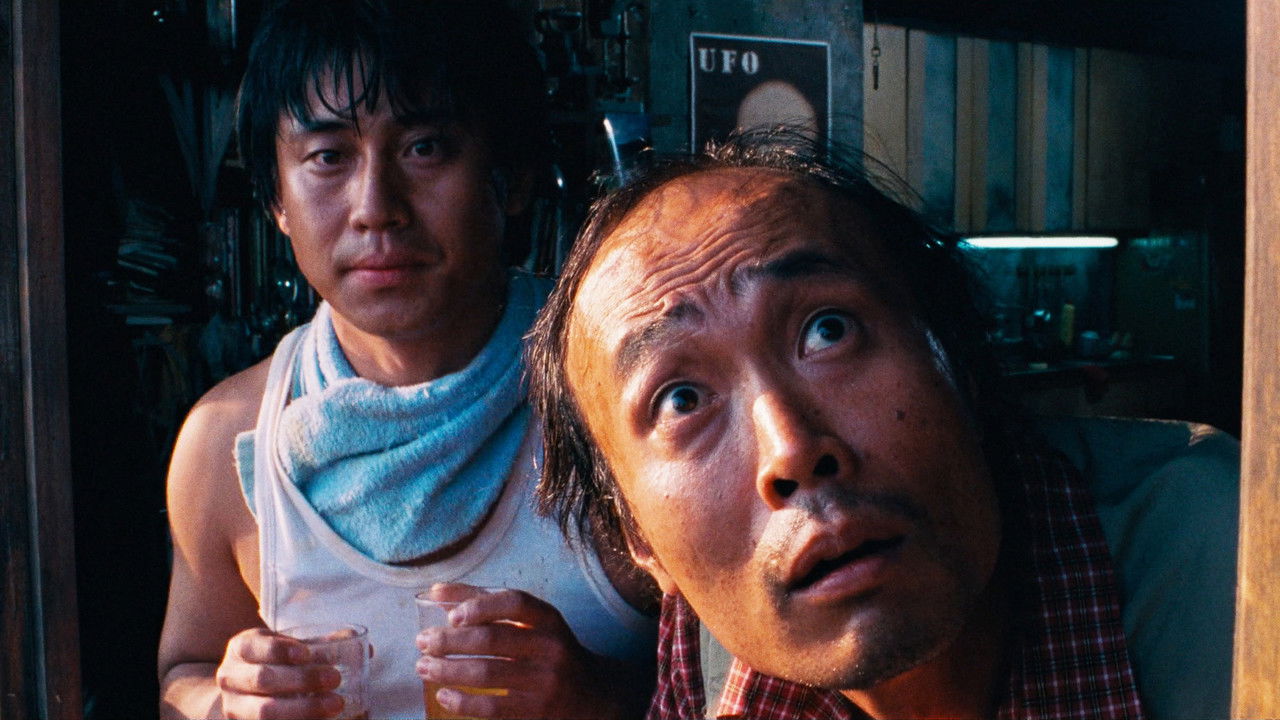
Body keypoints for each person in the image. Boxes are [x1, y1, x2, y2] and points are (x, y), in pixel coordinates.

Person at [526, 130, 1239, 719]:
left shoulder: (1229, 565)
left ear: (957, 359)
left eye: (828, 331)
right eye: (681, 401)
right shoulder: (717, 630)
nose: (791, 451)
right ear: (642, 541)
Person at [157, 2, 656, 718]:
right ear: (276, 200)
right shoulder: (229, 443)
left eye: (425, 148)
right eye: (328, 157)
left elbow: (768, 683)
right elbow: (185, 671)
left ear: (512, 175)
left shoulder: (625, 397)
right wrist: (225, 701)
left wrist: (600, 699)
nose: (375, 208)